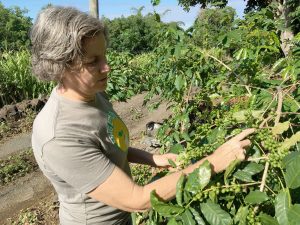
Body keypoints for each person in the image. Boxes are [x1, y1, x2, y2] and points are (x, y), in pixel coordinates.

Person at [30, 6, 254, 225]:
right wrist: (214, 162)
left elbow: (110, 145)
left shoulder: (93, 94)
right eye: (92, 61)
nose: (106, 67)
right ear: (59, 65)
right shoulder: (58, 135)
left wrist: (154, 159)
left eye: (104, 56)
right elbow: (137, 200)